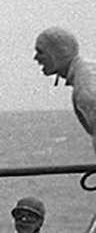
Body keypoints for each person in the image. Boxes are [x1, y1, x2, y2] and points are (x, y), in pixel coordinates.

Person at [33, 28, 96, 159]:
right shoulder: (88, 72)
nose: (36, 58)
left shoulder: (86, 89)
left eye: (40, 52)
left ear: (56, 53)